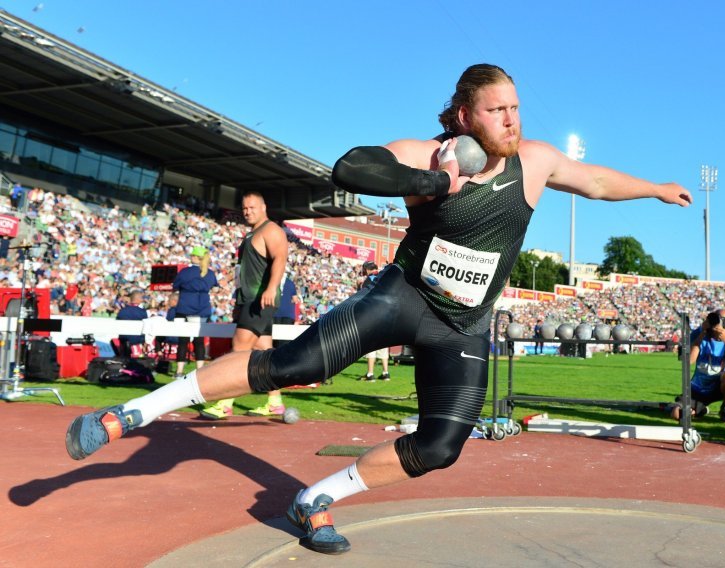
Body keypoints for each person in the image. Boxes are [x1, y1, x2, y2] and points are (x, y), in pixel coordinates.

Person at [64, 64, 692, 555]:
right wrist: (436, 182)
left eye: (517, 107)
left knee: (441, 447)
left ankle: (315, 499)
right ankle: (134, 411)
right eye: (498, 109)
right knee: (292, 364)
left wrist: (657, 189)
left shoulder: (535, 161)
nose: (512, 120)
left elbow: (599, 183)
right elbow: (353, 167)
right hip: (403, 297)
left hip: (462, 325)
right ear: (468, 115)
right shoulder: (434, 152)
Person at [200, 191, 289, 420]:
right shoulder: (252, 234)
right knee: (265, 353)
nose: (248, 212)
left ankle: (225, 402)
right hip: (250, 299)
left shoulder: (271, 230)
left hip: (261, 299)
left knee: (239, 350)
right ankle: (275, 402)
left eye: (252, 207)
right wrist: (239, 301)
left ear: (264, 207)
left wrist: (271, 288)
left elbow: (280, 258)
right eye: (245, 208)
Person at [670, 308, 725, 422]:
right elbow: (688, 361)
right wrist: (702, 334)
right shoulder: (700, 332)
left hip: (722, 384)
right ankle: (700, 409)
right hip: (700, 386)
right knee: (677, 414)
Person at [172, 247, 218, 377]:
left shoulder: (185, 272)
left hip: (184, 307)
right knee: (199, 340)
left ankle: (179, 371)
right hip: (202, 308)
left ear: (195, 257)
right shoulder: (209, 273)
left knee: (183, 339)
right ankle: (200, 371)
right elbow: (214, 288)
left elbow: (175, 286)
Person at [359, 261, 390, 381]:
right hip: (386, 316)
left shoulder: (368, 280)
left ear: (366, 270)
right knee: (383, 347)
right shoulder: (384, 276)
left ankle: (370, 374)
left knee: (371, 345)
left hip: (372, 316)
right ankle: (386, 373)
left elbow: (363, 298)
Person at [115, 289, 148, 358]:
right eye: (141, 298)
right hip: (137, 344)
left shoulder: (122, 311)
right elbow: (145, 328)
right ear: (138, 299)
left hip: (123, 343)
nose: (142, 300)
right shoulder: (142, 312)